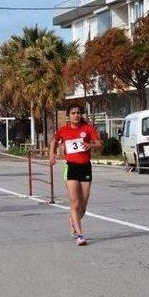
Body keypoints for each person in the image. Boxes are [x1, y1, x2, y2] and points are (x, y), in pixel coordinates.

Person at [49, 105, 102, 246]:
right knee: (75, 203)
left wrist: (91, 145)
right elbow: (54, 141)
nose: (76, 115)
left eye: (78, 113)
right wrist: (52, 155)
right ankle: (79, 235)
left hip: (85, 167)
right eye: (73, 113)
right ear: (69, 116)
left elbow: (99, 143)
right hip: (71, 167)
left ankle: (73, 221)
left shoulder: (88, 128)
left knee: (83, 204)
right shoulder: (63, 130)